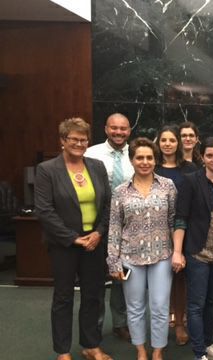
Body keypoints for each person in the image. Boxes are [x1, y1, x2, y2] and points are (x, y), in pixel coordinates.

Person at [35, 117, 112, 360]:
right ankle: (63, 351)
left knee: (93, 295)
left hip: (94, 242)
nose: (79, 143)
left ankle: (91, 346)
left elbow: (108, 205)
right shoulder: (48, 170)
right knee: (63, 297)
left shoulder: (97, 166)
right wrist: (73, 238)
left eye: (83, 139)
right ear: (63, 141)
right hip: (64, 246)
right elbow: (44, 210)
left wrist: (99, 232)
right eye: (74, 139)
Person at [107, 137, 176, 360]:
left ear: (155, 160)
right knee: (135, 307)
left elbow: (174, 220)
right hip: (130, 257)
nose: (144, 162)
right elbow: (115, 227)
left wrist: (177, 252)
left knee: (159, 305)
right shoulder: (120, 191)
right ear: (132, 160)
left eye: (149, 157)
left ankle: (157, 349)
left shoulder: (167, 186)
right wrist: (113, 261)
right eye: (140, 157)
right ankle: (141, 350)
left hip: (162, 255)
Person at [174, 137, 213, 360]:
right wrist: (178, 252)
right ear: (203, 157)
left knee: (211, 302)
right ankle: (199, 353)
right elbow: (181, 218)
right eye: (209, 155)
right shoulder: (190, 181)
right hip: (198, 252)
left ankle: (208, 344)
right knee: (197, 304)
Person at [85, 112, 133, 342]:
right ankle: (95, 326)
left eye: (123, 129)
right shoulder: (91, 153)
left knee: (121, 277)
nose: (118, 132)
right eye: (114, 128)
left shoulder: (136, 154)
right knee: (95, 278)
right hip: (97, 226)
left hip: (128, 228)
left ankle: (120, 323)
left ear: (129, 131)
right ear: (106, 129)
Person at [154, 125, 198, 345]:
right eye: (164, 140)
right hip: (156, 231)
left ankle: (180, 323)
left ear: (178, 144)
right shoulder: (151, 167)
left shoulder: (189, 168)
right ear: (158, 142)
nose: (168, 144)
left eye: (172, 140)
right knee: (157, 279)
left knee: (180, 279)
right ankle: (160, 323)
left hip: (184, 229)